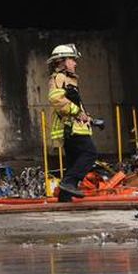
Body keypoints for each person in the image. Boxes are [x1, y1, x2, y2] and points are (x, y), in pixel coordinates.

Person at [46, 44, 104, 201]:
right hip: (70, 128)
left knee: (73, 161)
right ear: (62, 61)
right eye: (72, 59)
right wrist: (77, 112)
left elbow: (74, 103)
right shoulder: (59, 78)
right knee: (89, 153)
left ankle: (65, 197)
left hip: (74, 127)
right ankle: (69, 183)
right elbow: (56, 99)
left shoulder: (69, 80)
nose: (75, 63)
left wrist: (90, 119)